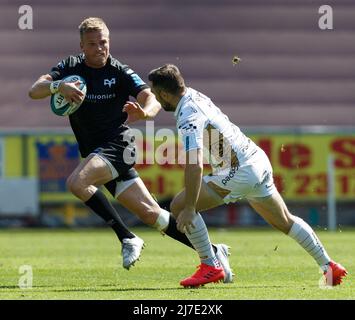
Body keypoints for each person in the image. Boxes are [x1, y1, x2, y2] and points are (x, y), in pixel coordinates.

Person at [28, 17, 232, 286]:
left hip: (118, 145)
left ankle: (127, 237)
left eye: (104, 42)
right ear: (82, 45)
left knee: (77, 183)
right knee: (152, 214)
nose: (100, 48)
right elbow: (34, 91)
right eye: (93, 44)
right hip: (97, 153)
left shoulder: (119, 71)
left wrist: (145, 112)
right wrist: (58, 86)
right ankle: (213, 254)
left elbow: (150, 97)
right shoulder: (70, 68)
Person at [126, 63, 347, 287]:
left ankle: (211, 265)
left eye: (155, 94)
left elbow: (194, 165)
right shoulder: (194, 95)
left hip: (239, 171)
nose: (156, 99)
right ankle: (329, 266)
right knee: (284, 221)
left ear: (164, 94)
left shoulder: (188, 116)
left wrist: (191, 208)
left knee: (180, 206)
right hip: (256, 160)